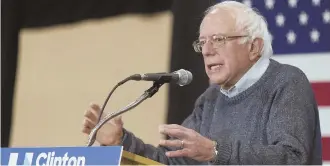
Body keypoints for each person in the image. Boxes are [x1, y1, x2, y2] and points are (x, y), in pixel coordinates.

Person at [82, 1, 322, 164]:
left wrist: (215, 151)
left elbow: (292, 158)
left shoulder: (286, 83)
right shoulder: (210, 100)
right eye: (202, 42)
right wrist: (121, 141)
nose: (206, 51)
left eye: (218, 40)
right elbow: (171, 162)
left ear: (253, 47)